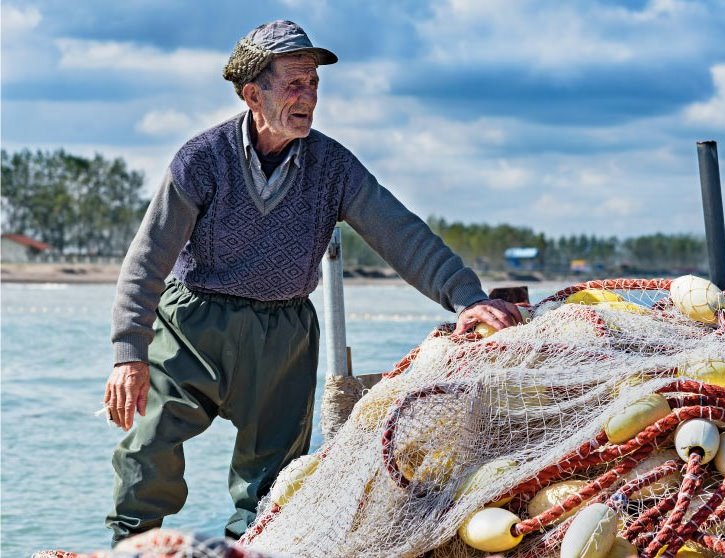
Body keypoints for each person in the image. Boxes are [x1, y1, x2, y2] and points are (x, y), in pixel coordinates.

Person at [104, 20, 521, 543]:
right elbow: (146, 261)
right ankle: (129, 547)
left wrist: (465, 297)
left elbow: (400, 233)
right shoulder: (201, 160)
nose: (309, 97)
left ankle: (245, 552)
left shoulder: (333, 166)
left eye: (315, 84)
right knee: (149, 447)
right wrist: (129, 354)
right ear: (253, 93)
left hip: (284, 334)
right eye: (294, 84)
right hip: (193, 324)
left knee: (272, 481)